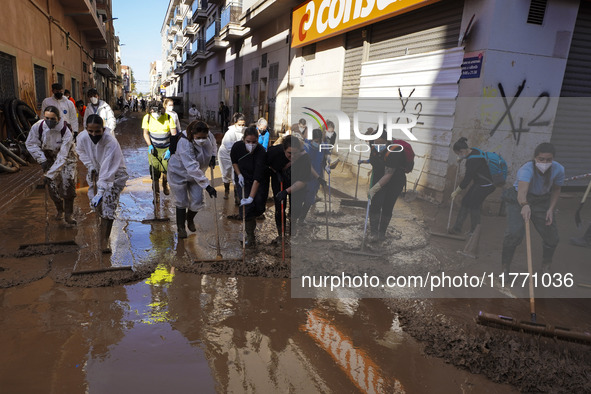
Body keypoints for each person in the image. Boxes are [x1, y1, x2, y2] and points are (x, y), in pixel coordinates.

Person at [501, 142, 564, 274]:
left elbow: (556, 190)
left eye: (548, 160)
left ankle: (546, 265)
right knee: (514, 234)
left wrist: (551, 209)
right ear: (535, 158)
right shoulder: (526, 169)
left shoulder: (559, 169)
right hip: (518, 199)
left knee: (552, 237)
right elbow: (522, 193)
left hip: (542, 201)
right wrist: (524, 205)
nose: (545, 162)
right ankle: (505, 268)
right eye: (541, 159)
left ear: (553, 159)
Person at [76, 114, 128, 252]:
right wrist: (90, 165)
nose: (94, 134)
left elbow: (108, 166)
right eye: (90, 131)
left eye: (97, 131)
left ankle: (104, 241)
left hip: (115, 173)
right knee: (96, 205)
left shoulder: (110, 141)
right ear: (86, 129)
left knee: (108, 205)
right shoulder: (82, 137)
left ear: (103, 129)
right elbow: (80, 151)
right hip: (96, 170)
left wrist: (101, 190)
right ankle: (101, 229)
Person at [25, 105, 77, 225]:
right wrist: (41, 159)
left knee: (67, 184)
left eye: (53, 119)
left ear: (58, 118)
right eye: (47, 118)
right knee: (53, 187)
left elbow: (63, 156)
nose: (49, 121)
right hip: (49, 158)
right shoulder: (38, 127)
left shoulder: (65, 131)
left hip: (67, 159)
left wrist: (50, 174)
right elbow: (31, 143)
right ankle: (60, 210)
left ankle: (69, 214)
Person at [167, 121, 218, 239]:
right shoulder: (184, 142)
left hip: (196, 173)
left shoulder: (208, 135)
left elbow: (214, 143)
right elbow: (191, 167)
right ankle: (181, 228)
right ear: (192, 134)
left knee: (197, 200)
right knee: (181, 200)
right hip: (178, 172)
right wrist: (208, 186)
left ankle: (189, 218)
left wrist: (213, 156)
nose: (202, 140)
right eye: (198, 138)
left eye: (204, 137)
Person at [448, 137, 496, 236]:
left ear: (461, 151)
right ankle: (457, 228)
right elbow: (469, 158)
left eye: (458, 154)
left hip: (486, 185)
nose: (459, 156)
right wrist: (461, 158)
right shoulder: (473, 151)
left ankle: (475, 232)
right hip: (480, 183)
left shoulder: (472, 161)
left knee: (474, 205)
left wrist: (457, 191)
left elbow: (467, 179)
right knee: (466, 201)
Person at [364, 131, 407, 242]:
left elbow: (389, 174)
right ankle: (373, 233)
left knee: (388, 206)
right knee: (375, 204)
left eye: (380, 143)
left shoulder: (395, 150)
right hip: (379, 176)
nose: (377, 145)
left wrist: (374, 188)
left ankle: (382, 233)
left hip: (395, 180)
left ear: (387, 142)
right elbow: (374, 161)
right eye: (375, 142)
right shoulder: (373, 147)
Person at [231, 126, 268, 247]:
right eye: (248, 142)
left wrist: (251, 197)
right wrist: (239, 175)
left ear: (258, 140)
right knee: (246, 209)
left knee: (257, 205)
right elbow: (234, 162)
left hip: (259, 180)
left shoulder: (261, 152)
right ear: (243, 139)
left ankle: (252, 227)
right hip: (243, 178)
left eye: (254, 142)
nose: (251, 144)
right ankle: (251, 237)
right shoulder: (237, 147)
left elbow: (257, 178)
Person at [273, 136, 311, 236]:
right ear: (284, 150)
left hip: (297, 185)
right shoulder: (275, 152)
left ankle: (292, 229)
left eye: (295, 153)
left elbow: (303, 181)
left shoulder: (304, 158)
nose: (293, 156)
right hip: (279, 181)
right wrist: (276, 172)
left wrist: (286, 191)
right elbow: (267, 165)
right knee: (280, 208)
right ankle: (281, 234)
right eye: (289, 153)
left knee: (296, 208)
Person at [142, 102, 177, 202]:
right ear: (150, 110)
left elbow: (174, 135)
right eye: (153, 111)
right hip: (154, 149)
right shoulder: (147, 118)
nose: (155, 113)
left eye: (157, 110)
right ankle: (156, 194)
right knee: (154, 172)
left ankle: (165, 184)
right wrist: (149, 145)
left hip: (166, 149)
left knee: (166, 170)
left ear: (161, 109)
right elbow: (145, 133)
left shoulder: (168, 118)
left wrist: (170, 150)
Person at [301, 129, 327, 223]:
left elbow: (321, 162)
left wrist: (324, 171)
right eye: (316, 141)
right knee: (301, 198)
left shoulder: (321, 147)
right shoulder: (306, 147)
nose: (318, 143)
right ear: (311, 139)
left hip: (315, 179)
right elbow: (309, 166)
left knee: (309, 200)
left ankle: (301, 219)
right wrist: (318, 177)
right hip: (305, 177)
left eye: (319, 141)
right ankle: (295, 219)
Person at [218, 113, 246, 201]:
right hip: (225, 155)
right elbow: (229, 147)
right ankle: (226, 190)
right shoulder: (229, 133)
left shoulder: (245, 131)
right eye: (239, 125)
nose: (241, 127)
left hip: (238, 155)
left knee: (236, 174)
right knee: (226, 173)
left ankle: (237, 196)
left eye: (243, 125)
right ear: (234, 123)